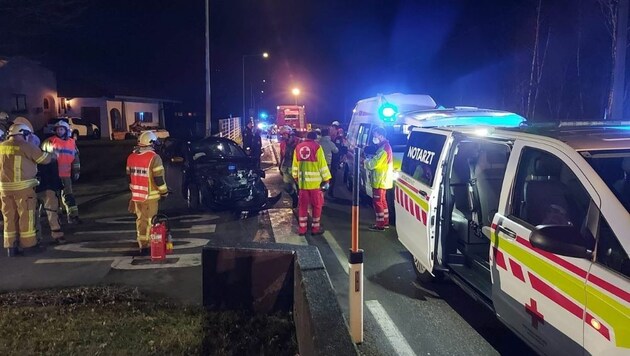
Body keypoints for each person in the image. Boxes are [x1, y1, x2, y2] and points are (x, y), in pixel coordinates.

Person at [0, 124, 52, 256]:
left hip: (4, 190)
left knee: (9, 217)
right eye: (28, 134)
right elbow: (44, 159)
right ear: (23, 133)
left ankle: (10, 247)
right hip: (23, 189)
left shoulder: (1, 146)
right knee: (26, 217)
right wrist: (51, 154)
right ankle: (28, 245)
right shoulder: (26, 146)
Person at [126, 131, 168, 253]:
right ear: (151, 143)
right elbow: (159, 179)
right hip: (150, 196)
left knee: (141, 220)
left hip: (136, 196)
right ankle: (150, 245)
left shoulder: (131, 157)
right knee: (151, 220)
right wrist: (164, 192)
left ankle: (142, 243)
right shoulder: (154, 158)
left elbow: (128, 177)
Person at [41, 120, 81, 224]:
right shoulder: (49, 141)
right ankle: (57, 218)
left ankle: (73, 216)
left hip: (66, 174)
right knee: (54, 197)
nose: (59, 131)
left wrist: (76, 171)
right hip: (53, 175)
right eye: (58, 129)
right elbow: (41, 157)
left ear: (66, 130)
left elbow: (75, 159)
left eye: (62, 129)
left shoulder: (72, 142)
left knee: (69, 196)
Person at [292, 131, 331, 236]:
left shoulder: (299, 147)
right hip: (315, 185)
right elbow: (322, 165)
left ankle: (302, 229)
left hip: (303, 185)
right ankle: (315, 228)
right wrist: (327, 180)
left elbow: (295, 165)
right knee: (317, 206)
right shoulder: (317, 147)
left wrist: (296, 177)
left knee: (303, 207)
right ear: (315, 138)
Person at [364, 127, 393, 231]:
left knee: (377, 202)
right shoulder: (384, 147)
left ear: (381, 136)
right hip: (382, 179)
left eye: (375, 136)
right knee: (383, 201)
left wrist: (366, 161)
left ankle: (380, 225)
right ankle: (385, 222)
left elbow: (374, 164)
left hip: (380, 179)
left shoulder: (384, 149)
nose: (374, 138)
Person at [36, 151, 65, 244]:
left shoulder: (26, 155)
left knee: (33, 215)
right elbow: (55, 175)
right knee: (52, 212)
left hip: (34, 189)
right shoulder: (50, 158)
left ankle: (36, 238)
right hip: (48, 188)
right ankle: (57, 235)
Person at [279, 130, 299, 208]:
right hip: (286, 167)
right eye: (290, 136)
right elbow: (282, 155)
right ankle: (295, 198)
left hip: (295, 168)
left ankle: (299, 201)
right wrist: (280, 165)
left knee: (298, 186)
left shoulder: (298, 144)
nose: (291, 137)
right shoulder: (284, 144)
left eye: (292, 136)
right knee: (287, 186)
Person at [318, 128, 338, 197]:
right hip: (327, 163)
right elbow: (336, 150)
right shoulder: (330, 143)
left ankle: (319, 193)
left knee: (319, 179)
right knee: (326, 180)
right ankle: (324, 193)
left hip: (318, 164)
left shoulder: (318, 142)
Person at [330, 127, 348, 198]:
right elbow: (337, 150)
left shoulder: (340, 139)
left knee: (332, 176)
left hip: (335, 160)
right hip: (333, 160)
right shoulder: (336, 139)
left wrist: (343, 156)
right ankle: (328, 192)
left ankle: (329, 191)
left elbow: (344, 149)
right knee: (332, 176)